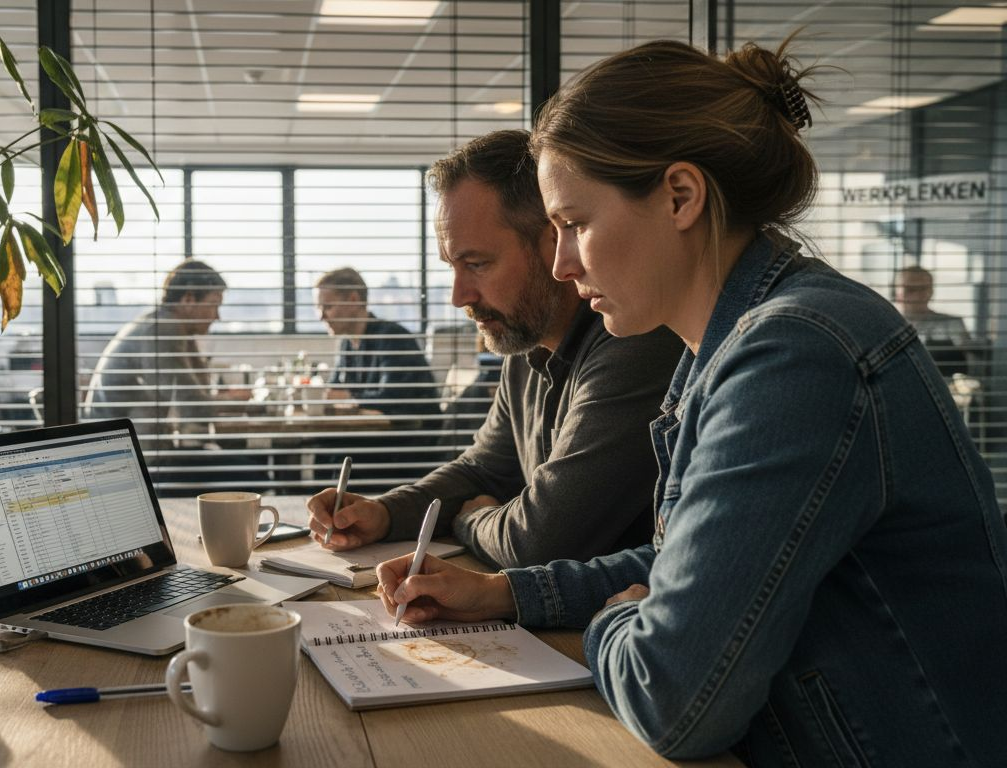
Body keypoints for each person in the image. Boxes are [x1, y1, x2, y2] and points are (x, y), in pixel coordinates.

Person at [375, 38, 1007, 766]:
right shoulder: (728, 347)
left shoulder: (796, 353)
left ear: (680, 196)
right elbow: (689, 561)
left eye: (575, 223)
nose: (561, 263)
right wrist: (505, 594)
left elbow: (670, 697)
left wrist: (617, 623)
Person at [307, 130, 684, 569]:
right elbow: (483, 470)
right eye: (453, 267)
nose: (459, 295)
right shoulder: (527, 341)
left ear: (554, 240)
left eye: (478, 264)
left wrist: (472, 518)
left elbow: (540, 539)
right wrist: (386, 512)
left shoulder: (632, 343)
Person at [84, 260, 257, 489]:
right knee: (253, 473)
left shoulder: (166, 325)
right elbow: (193, 407)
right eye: (214, 305)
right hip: (129, 463)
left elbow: (196, 391)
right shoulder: (163, 329)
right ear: (188, 299)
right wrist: (247, 402)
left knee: (242, 465)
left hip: (134, 455)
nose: (218, 317)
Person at [313, 267, 438, 417]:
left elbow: (392, 399)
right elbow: (333, 392)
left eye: (327, 307)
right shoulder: (347, 344)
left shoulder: (393, 338)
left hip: (406, 436)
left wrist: (348, 397)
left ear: (354, 299)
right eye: (318, 307)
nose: (321, 316)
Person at [892, 265, 972, 375]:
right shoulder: (886, 326)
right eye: (910, 290)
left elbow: (971, 366)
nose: (917, 296)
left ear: (931, 291)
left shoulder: (952, 325)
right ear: (897, 292)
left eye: (923, 289)